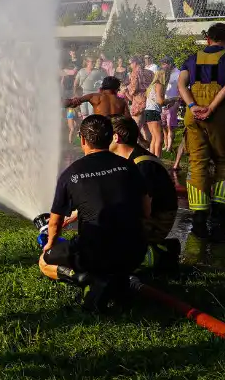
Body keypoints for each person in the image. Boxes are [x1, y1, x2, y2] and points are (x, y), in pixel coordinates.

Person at [38, 115, 149, 310]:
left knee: (44, 261)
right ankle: (114, 279)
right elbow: (146, 211)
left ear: (82, 139)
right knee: (114, 259)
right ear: (110, 138)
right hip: (135, 253)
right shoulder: (129, 167)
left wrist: (50, 244)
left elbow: (55, 224)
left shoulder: (71, 174)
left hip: (96, 255)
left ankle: (86, 278)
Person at [178, 23, 225, 241]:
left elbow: (181, 85)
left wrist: (192, 107)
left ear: (208, 39)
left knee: (197, 162)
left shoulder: (191, 57)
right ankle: (220, 212)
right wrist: (211, 108)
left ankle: (198, 216)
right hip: (218, 117)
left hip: (193, 116)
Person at [110, 116, 180, 270]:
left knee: (112, 255)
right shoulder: (129, 159)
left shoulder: (142, 164)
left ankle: (160, 254)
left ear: (116, 137)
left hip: (156, 220)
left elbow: (144, 210)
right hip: (146, 216)